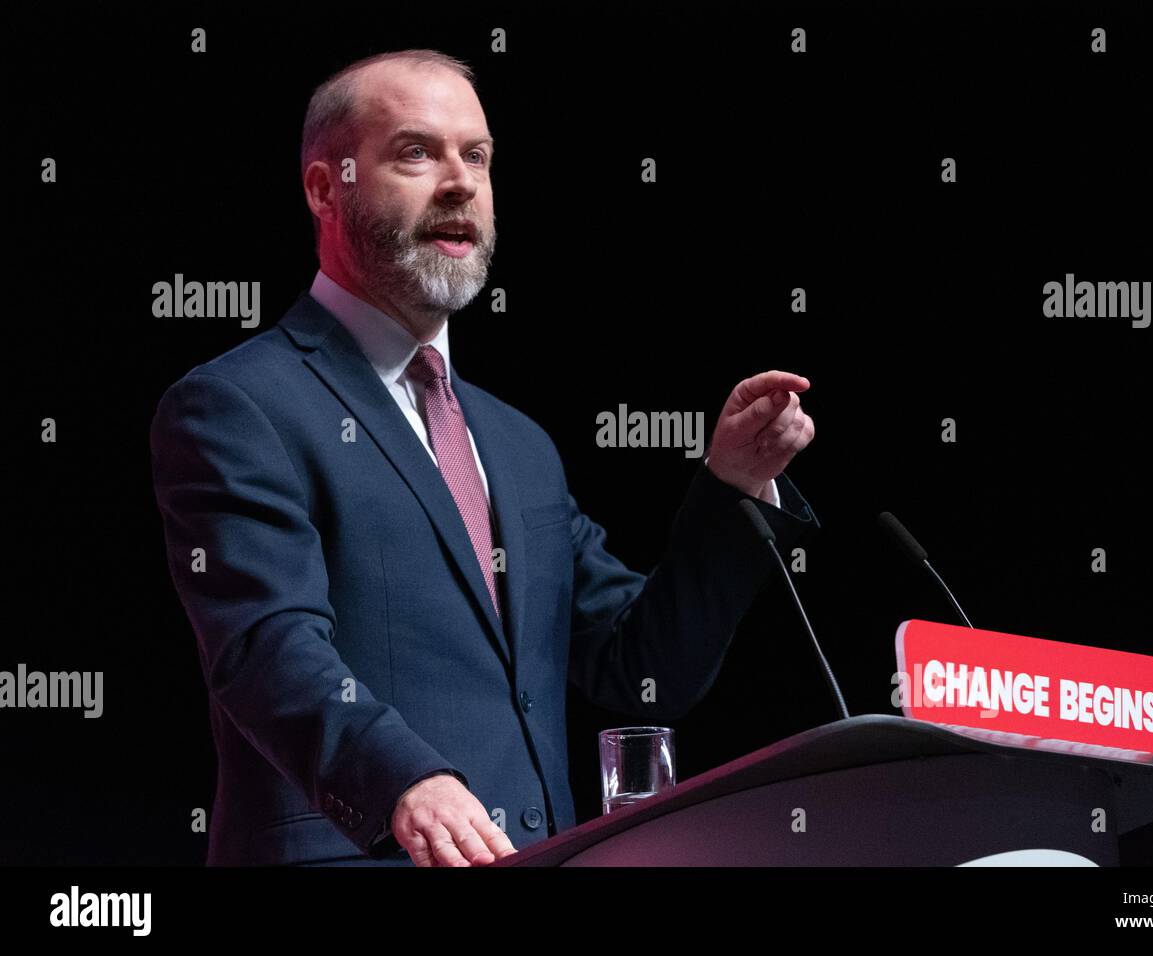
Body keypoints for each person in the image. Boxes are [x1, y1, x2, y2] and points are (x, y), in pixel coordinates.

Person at [149, 49, 819, 867]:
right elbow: (266, 649)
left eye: (477, 156)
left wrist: (732, 487)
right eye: (417, 152)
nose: (461, 182)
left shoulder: (516, 444)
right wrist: (406, 782)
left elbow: (639, 667)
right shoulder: (240, 405)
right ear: (326, 189)